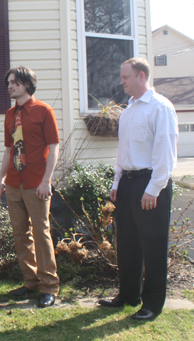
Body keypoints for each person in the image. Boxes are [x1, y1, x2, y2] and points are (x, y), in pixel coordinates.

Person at [98, 58, 179, 320]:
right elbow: (123, 151)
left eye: (125, 77)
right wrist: (116, 182)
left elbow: (165, 154)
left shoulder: (160, 107)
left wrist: (153, 189)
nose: (121, 82)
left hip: (151, 183)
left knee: (153, 245)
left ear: (141, 76)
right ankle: (128, 295)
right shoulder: (129, 110)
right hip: (128, 184)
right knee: (128, 244)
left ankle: (152, 304)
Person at [0, 66, 60, 308]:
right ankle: (30, 282)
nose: (10, 86)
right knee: (20, 234)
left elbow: (54, 147)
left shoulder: (44, 111)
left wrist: (46, 180)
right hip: (13, 183)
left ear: (27, 84)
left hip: (36, 184)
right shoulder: (10, 115)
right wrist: (1, 178)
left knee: (41, 234)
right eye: (9, 82)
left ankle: (49, 287)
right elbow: (10, 149)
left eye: (15, 82)